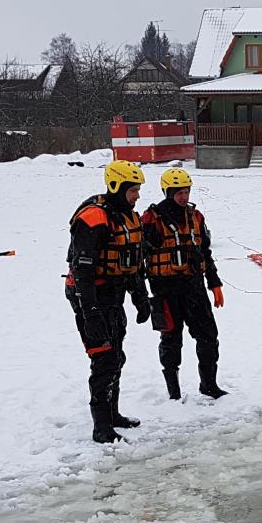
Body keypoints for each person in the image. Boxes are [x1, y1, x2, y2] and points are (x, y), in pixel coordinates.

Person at [66, 160, 151, 443]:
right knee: (104, 357)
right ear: (117, 187)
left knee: (117, 356)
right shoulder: (94, 219)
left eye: (138, 190)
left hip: (113, 295)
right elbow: (83, 271)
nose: (137, 196)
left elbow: (133, 264)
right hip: (90, 295)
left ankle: (112, 414)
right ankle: (101, 426)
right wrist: (90, 312)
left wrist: (141, 298)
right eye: (133, 191)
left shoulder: (128, 218)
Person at [141, 166, 226, 400]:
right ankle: (173, 391)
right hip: (164, 288)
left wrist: (215, 284)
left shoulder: (196, 217)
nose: (184, 196)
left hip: (193, 286)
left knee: (208, 336)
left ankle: (209, 385)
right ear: (167, 192)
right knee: (171, 339)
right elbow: (138, 255)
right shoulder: (150, 218)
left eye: (186, 192)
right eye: (178, 192)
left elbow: (205, 253)